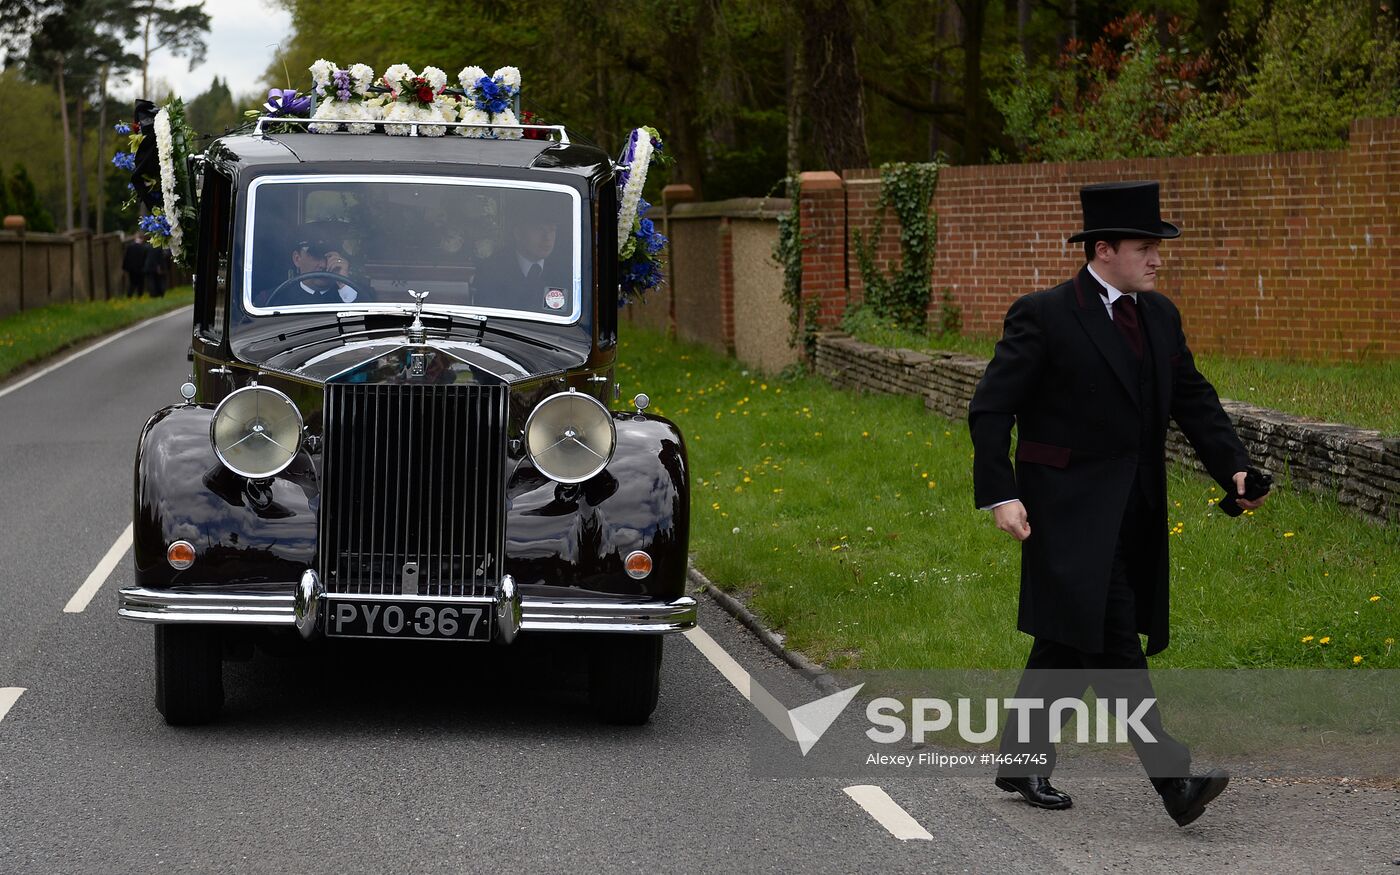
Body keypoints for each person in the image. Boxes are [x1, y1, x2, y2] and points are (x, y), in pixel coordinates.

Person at [968, 181, 1269, 827]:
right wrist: (1001, 492)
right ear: (1104, 249)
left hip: (1134, 511)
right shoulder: (1044, 314)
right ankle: (1173, 779)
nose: (1157, 259)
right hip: (1065, 511)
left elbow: (1194, 399)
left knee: (1067, 638)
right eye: (1144, 247)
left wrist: (1235, 468)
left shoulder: (1159, 317)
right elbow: (992, 406)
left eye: (1158, 248)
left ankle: (1021, 757)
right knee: (1111, 639)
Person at [471, 195, 570, 312]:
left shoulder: (564, 272)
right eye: (539, 229)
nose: (547, 238)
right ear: (518, 234)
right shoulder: (491, 270)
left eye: (552, 230)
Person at [261, 225, 364, 308]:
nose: (323, 265)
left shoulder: (358, 295)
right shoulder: (272, 299)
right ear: (297, 259)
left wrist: (344, 284)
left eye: (330, 256)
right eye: (315, 255)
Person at [122, 232, 149, 297]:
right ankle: (140, 296)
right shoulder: (144, 248)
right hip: (141, 269)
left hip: (132, 269)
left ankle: (129, 295)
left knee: (132, 283)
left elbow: (126, 258)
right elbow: (145, 259)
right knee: (141, 284)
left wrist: (125, 268)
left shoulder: (130, 247)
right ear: (142, 239)